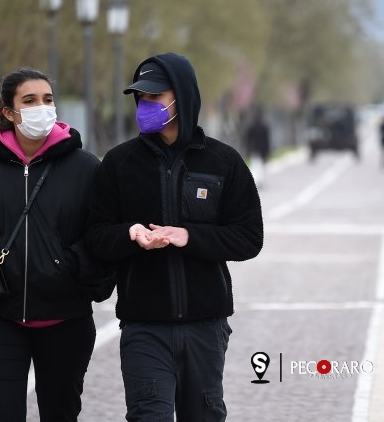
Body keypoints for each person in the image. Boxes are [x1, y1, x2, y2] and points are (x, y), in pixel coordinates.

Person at [84, 52, 264, 421]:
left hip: (206, 326)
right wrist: (130, 235)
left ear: (181, 98)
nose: (145, 105)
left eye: (156, 97)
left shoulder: (223, 162)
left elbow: (249, 237)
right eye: (141, 98)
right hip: (143, 326)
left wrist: (190, 237)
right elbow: (95, 235)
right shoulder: (118, 164)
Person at [0, 67, 114, 421]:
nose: (42, 108)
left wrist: (69, 266)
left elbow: (102, 234)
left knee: (59, 413)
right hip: (0, 316)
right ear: (8, 112)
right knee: (3, 414)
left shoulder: (85, 168)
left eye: (48, 100)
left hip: (67, 320)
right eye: (30, 101)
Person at [243, 107, 271, 187]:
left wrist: (248, 148)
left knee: (255, 164)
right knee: (260, 165)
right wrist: (267, 150)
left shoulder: (251, 126)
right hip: (262, 149)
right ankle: (259, 180)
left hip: (254, 149)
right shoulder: (264, 126)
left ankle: (256, 180)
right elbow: (267, 140)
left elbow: (246, 138)